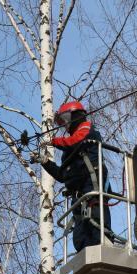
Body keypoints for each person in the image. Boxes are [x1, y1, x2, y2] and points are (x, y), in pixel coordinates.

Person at [31, 101, 111, 251]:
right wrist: (45, 162)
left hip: (92, 184)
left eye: (64, 120)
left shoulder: (85, 128)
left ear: (72, 115)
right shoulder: (69, 151)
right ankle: (86, 260)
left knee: (97, 224)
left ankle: (103, 249)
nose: (64, 125)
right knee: (80, 235)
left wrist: (53, 141)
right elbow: (63, 175)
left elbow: (75, 141)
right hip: (78, 195)